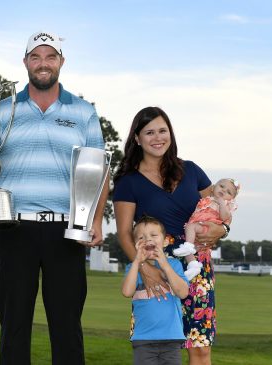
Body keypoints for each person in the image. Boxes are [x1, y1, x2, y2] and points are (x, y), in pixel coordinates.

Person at [0, 31, 108, 365]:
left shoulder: (83, 112)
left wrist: (95, 218)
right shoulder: (4, 109)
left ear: (61, 62)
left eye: (50, 57)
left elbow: (98, 169)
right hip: (14, 228)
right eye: (36, 57)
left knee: (67, 328)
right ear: (25, 62)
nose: (43, 64)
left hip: (66, 230)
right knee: (13, 326)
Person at [113, 106, 227, 365]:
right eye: (149, 132)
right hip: (154, 264)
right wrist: (145, 270)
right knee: (157, 345)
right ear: (137, 138)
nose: (157, 137)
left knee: (199, 346)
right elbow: (123, 233)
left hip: (195, 265)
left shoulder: (191, 170)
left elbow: (216, 216)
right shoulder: (127, 181)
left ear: (171, 134)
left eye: (163, 131)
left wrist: (223, 230)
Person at [122, 215, 189, 365]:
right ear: (135, 244)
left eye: (153, 235)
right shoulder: (133, 269)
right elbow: (127, 292)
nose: (148, 240)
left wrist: (164, 264)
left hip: (171, 338)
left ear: (165, 241)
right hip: (143, 339)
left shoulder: (175, 265)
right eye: (141, 237)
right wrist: (137, 262)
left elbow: (183, 292)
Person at [174, 178, 240, 280]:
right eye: (221, 186)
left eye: (228, 192)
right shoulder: (208, 199)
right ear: (213, 187)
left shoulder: (225, 205)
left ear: (231, 198)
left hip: (206, 227)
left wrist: (222, 204)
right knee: (188, 249)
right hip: (198, 230)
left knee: (190, 229)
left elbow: (224, 217)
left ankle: (188, 246)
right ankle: (193, 265)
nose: (223, 191)